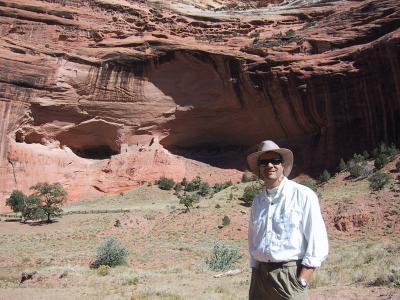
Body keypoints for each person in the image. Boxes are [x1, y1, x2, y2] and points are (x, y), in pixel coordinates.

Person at [246, 140, 329, 300]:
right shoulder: (258, 201)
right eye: (264, 162)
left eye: (275, 161)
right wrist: (255, 271)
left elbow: (316, 238)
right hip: (260, 278)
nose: (269, 165)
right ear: (259, 168)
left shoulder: (303, 195)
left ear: (283, 165)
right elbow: (253, 239)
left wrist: (302, 280)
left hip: (289, 277)